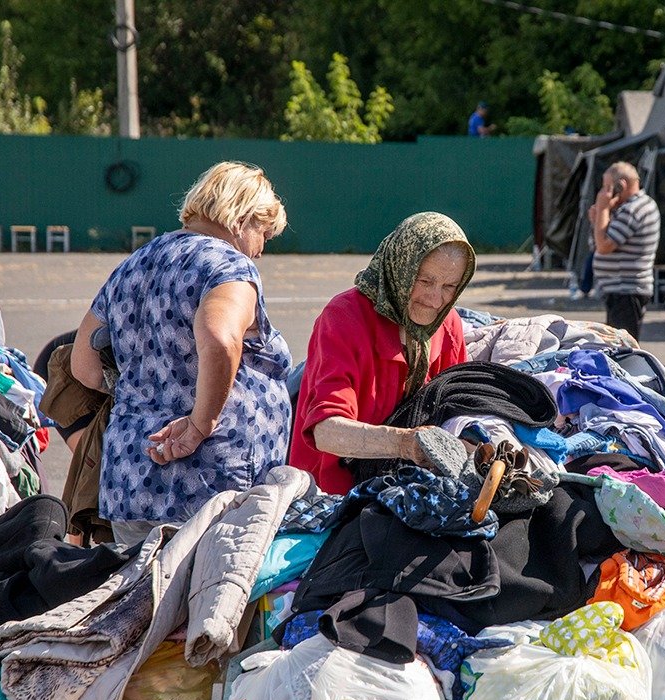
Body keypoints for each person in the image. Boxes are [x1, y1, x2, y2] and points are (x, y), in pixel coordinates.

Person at [70, 161, 291, 547]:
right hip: (211, 482)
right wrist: (199, 425)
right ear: (243, 218)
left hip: (131, 478)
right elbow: (220, 340)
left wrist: (144, 397)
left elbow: (83, 366)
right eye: (265, 234)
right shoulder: (227, 265)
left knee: (133, 600)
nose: (260, 251)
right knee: (207, 602)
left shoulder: (132, 265)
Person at [289, 212, 476, 494]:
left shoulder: (447, 324)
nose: (436, 299)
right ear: (400, 268)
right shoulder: (343, 318)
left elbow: (458, 410)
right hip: (330, 491)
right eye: (425, 281)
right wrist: (406, 444)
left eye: (449, 287)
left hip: (405, 487)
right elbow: (325, 431)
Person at [590, 161, 661, 340]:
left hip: (627, 290)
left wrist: (603, 209)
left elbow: (604, 246)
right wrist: (599, 217)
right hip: (619, 289)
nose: (603, 193)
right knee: (616, 347)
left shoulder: (633, 209)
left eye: (607, 187)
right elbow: (598, 242)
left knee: (622, 350)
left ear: (620, 185)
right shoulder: (626, 208)